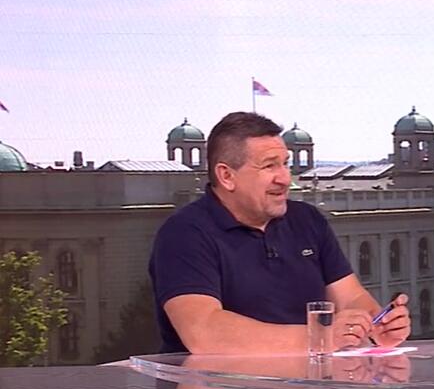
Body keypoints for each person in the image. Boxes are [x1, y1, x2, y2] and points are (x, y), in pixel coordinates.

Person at [149, 112, 410, 354]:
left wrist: (376, 324)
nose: (285, 178)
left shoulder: (307, 220)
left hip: (311, 385)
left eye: (285, 164)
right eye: (269, 166)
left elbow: (350, 297)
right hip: (217, 388)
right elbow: (204, 332)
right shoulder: (185, 233)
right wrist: (319, 337)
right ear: (226, 176)